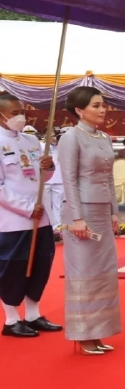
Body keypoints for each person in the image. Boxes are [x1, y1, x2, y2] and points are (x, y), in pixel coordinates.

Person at [59, 86, 122, 355]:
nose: (102, 109)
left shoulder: (104, 137)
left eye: (103, 105)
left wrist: (114, 211)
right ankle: (83, 335)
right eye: (96, 106)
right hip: (81, 211)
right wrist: (77, 218)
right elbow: (69, 180)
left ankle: (98, 332)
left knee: (103, 272)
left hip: (101, 210)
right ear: (79, 110)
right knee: (83, 271)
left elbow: (109, 177)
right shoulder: (71, 137)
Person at [0, 94, 61, 338]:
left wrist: (49, 167)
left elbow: (42, 177)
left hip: (41, 216)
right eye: (14, 113)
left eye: (22, 112)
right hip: (13, 220)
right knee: (13, 268)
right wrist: (26, 208)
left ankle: (33, 315)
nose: (20, 117)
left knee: (41, 264)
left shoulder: (31, 140)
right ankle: (11, 319)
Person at [39, 128, 64, 230]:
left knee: (58, 205)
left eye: (53, 135)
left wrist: (59, 142)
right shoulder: (41, 146)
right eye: (49, 136)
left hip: (59, 180)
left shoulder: (62, 147)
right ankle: (48, 226)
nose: (52, 138)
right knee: (46, 205)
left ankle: (57, 228)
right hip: (46, 180)